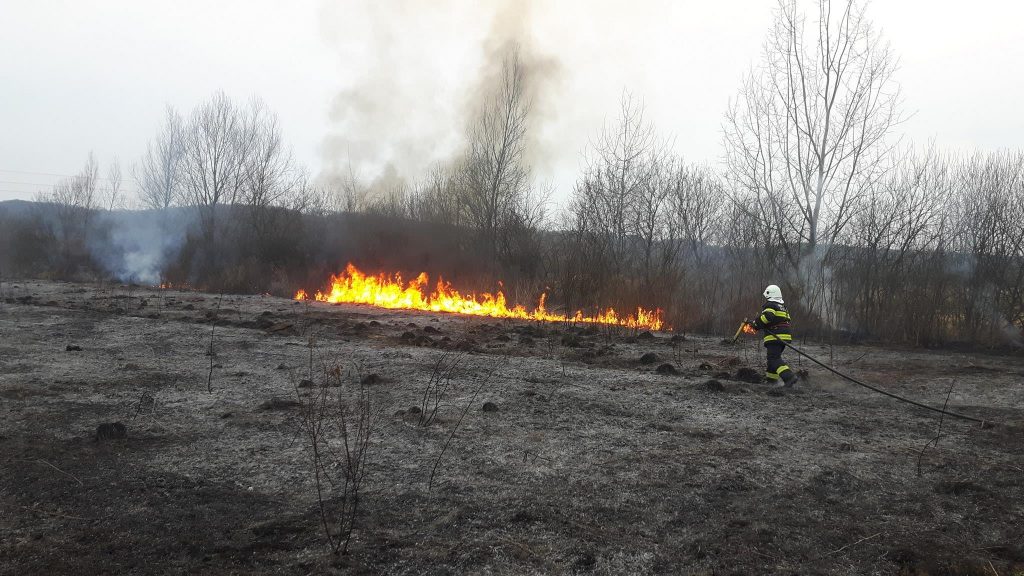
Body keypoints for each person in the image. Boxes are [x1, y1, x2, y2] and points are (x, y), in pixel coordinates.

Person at [749, 284, 797, 387]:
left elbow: (768, 317)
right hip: (784, 336)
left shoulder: (770, 305)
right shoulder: (783, 307)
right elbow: (783, 320)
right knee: (773, 359)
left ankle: (789, 377)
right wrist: (757, 325)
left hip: (775, 336)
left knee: (773, 358)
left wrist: (756, 324)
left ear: (769, 295)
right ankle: (771, 382)